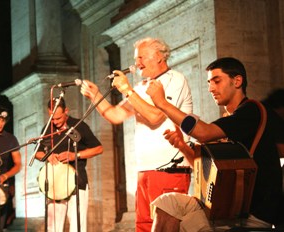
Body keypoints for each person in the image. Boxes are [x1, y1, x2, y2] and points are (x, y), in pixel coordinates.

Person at [145, 57, 284, 231]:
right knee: (167, 203)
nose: (211, 88)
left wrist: (162, 103)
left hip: (248, 213)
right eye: (209, 83)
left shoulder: (251, 111)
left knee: (186, 223)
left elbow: (203, 133)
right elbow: (201, 167)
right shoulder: (229, 122)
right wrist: (181, 145)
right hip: (225, 206)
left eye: (217, 81)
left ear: (237, 81)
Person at [80, 37, 193, 231]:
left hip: (168, 169)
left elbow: (156, 116)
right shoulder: (140, 87)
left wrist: (126, 89)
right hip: (144, 170)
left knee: (166, 228)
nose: (136, 63)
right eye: (135, 58)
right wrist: (95, 95)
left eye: (141, 57)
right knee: (143, 226)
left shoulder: (175, 79)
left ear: (159, 57)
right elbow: (116, 115)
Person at [35, 98, 103, 232]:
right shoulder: (47, 128)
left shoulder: (79, 126)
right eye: (52, 118)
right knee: (53, 227)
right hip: (55, 184)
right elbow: (37, 153)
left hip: (77, 181)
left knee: (77, 225)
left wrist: (75, 155)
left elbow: (98, 148)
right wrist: (48, 156)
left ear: (66, 111)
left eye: (58, 118)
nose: (55, 122)